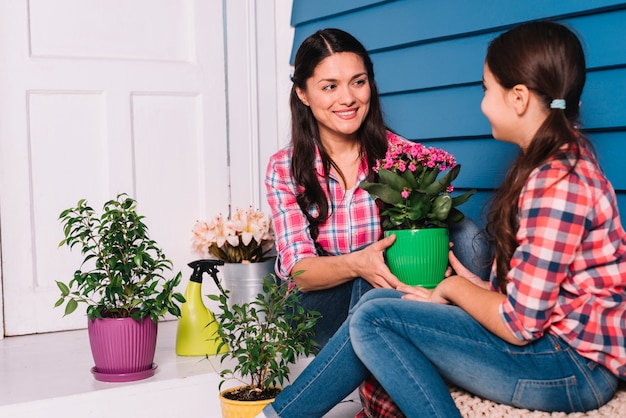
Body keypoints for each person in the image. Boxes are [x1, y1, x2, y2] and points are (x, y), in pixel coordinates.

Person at [259, 21, 626, 418]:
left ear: (518, 99)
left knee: (376, 308)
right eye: (330, 86)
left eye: (486, 90)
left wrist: (450, 289)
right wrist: (460, 287)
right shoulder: (553, 171)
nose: (483, 103)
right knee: (374, 305)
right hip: (330, 302)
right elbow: (532, 300)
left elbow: (521, 324)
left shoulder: (556, 182)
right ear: (304, 93)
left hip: (570, 366)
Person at [265, 28, 491, 349]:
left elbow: (424, 239)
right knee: (368, 287)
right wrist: (357, 263)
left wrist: (436, 257)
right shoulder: (285, 168)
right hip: (315, 308)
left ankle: (471, 335)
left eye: (358, 82)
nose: (348, 98)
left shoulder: (402, 157)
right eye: (330, 87)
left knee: (464, 231)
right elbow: (299, 272)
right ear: (303, 93)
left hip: (393, 293)